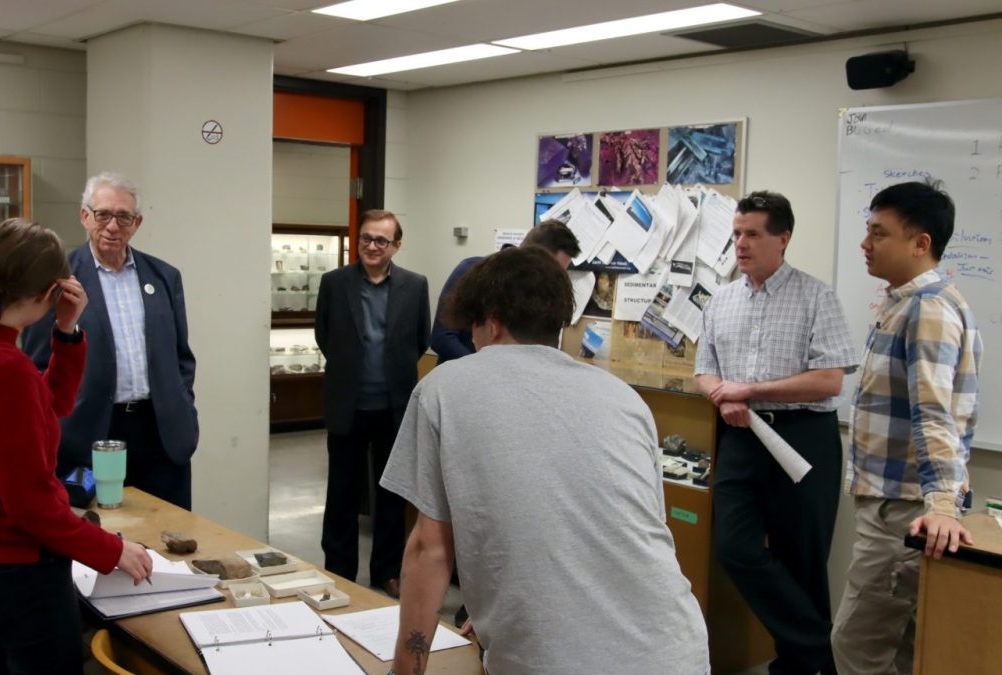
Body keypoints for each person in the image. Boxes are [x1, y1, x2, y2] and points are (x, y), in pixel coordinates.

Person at [382, 247, 708, 675]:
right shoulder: (623, 398)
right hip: (674, 647)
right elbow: (607, 528)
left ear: (492, 323)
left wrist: (405, 671)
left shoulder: (443, 389)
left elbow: (430, 550)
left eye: (474, 329)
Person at [0, 218, 152, 675]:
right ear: (50, 291)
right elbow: (30, 504)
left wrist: (67, 332)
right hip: (21, 577)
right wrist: (110, 549)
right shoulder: (5, 369)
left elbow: (50, 405)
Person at [694, 191, 859, 675]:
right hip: (742, 438)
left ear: (782, 238)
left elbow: (830, 379)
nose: (740, 244)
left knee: (802, 559)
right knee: (734, 548)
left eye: (752, 234)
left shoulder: (816, 295)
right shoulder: (721, 300)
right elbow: (705, 370)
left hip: (803, 436)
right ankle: (820, 655)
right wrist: (724, 394)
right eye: (736, 234)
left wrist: (751, 389)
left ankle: (796, 664)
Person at [831, 181, 981, 674]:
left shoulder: (929, 308)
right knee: (898, 649)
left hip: (907, 510)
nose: (865, 243)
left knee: (856, 645)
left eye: (880, 233)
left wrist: (942, 506)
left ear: (921, 244)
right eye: (867, 230)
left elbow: (935, 416)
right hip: (895, 503)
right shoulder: (902, 302)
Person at [22, 172, 199, 510]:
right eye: (103, 214)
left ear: (138, 222)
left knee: (170, 532)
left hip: (160, 432)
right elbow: (36, 364)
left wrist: (182, 402)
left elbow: (182, 359)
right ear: (85, 216)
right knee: (101, 538)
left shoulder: (164, 277)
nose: (113, 226)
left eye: (123, 217)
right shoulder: (59, 279)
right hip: (89, 434)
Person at [315, 209, 430, 598]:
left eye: (382, 240)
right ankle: (340, 569)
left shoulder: (415, 286)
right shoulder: (334, 283)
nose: (372, 246)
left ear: (396, 245)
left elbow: (419, 339)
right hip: (347, 405)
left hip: (394, 408)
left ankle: (386, 570)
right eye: (366, 238)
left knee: (391, 497)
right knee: (341, 494)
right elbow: (323, 335)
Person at [430, 219, 581, 363]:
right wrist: (484, 369)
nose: (554, 277)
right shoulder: (472, 271)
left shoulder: (539, 293)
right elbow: (442, 337)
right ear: (533, 253)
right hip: (461, 380)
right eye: (552, 267)